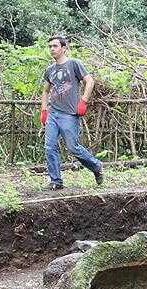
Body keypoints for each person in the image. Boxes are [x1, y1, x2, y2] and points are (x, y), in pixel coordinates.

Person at [40, 35, 103, 190]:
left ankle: (96, 166)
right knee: (49, 147)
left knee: (73, 147)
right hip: (53, 113)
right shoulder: (50, 70)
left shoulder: (74, 64)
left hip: (69, 114)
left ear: (63, 48)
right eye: (50, 46)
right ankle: (56, 181)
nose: (52, 49)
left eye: (55, 46)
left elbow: (89, 81)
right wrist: (44, 109)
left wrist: (83, 101)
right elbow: (45, 91)